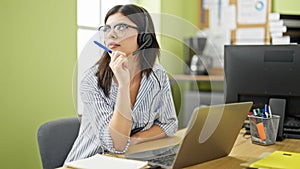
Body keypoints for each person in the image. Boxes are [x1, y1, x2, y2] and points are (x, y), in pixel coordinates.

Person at [65, 4, 178, 163]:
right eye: (107, 29)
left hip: (131, 160)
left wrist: (136, 139)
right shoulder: (91, 80)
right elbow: (117, 145)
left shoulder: (157, 75)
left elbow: (169, 124)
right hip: (88, 163)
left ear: (143, 36)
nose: (111, 34)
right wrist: (123, 85)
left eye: (121, 27)